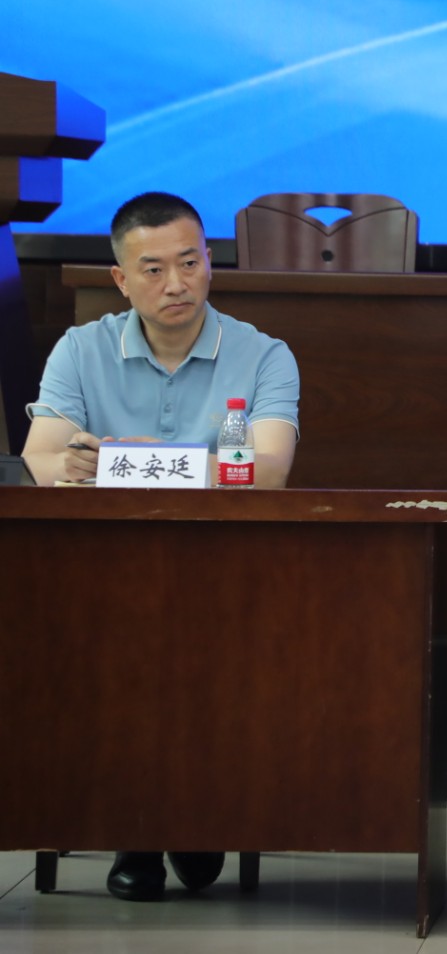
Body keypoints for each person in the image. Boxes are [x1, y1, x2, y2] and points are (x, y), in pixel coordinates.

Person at [22, 191, 300, 901]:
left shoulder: (262, 354)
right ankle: (140, 828)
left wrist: (148, 462)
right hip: (105, 568)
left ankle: (195, 810)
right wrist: (79, 465)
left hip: (223, 569)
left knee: (193, 645)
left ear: (210, 263)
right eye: (153, 269)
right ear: (121, 280)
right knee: (113, 642)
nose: (176, 284)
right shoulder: (81, 349)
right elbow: (40, 458)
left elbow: (270, 470)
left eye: (190, 263)